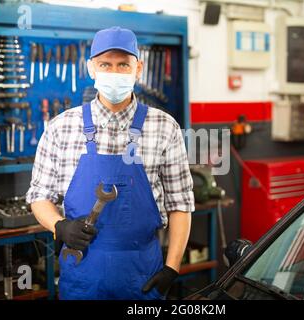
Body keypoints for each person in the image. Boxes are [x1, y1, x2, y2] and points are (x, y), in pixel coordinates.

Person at [26, 26, 194, 300]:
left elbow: (181, 204)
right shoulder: (61, 127)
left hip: (143, 275)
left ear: (138, 68)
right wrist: (59, 226)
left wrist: (172, 268)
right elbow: (39, 196)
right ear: (91, 68)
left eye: (123, 65)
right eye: (105, 64)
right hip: (82, 271)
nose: (114, 73)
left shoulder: (166, 128)